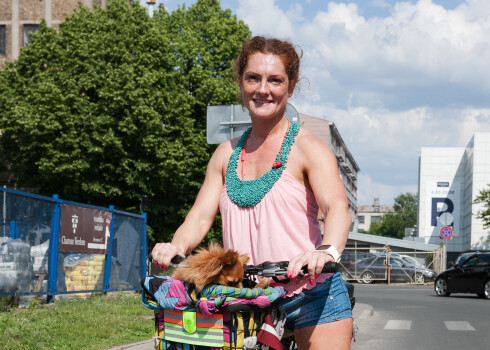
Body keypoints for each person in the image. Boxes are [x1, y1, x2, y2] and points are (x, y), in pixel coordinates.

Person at [152, 36, 353, 349]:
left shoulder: (309, 149)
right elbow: (200, 215)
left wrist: (326, 252)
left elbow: (338, 209)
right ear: (240, 82)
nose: (263, 89)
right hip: (246, 299)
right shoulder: (224, 154)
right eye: (253, 78)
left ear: (291, 85)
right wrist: (174, 246)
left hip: (313, 293)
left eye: (275, 80)